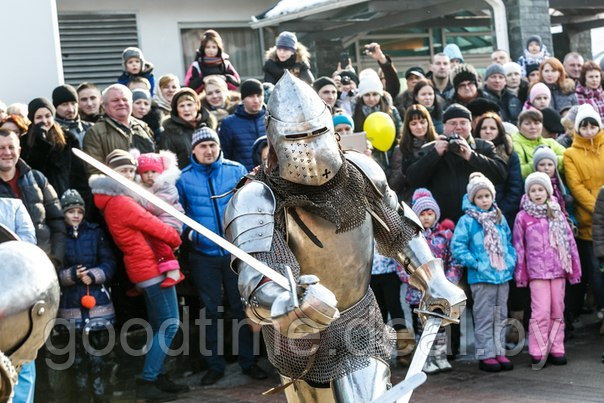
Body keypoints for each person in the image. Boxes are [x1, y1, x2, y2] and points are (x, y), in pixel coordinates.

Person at [224, 71, 465, 401]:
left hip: (358, 317)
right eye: (297, 139)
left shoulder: (360, 171)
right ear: (276, 141)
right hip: (299, 336)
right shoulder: (257, 199)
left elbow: (399, 227)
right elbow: (256, 281)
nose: (309, 149)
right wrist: (286, 302)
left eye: (317, 134)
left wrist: (432, 278)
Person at [89, 149, 188, 400]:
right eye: (122, 171)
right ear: (110, 173)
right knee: (170, 323)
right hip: (150, 268)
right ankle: (148, 379)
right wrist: (175, 236)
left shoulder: (118, 198)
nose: (128, 175)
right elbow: (153, 225)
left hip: (146, 266)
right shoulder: (121, 202)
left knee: (159, 324)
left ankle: (159, 374)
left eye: (130, 171)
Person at [176, 127, 266, 385]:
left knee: (241, 308)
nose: (208, 150)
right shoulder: (183, 179)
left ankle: (248, 362)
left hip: (235, 253)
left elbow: (249, 202)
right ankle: (214, 365)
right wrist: (192, 235)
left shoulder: (235, 170)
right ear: (193, 150)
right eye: (203, 146)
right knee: (210, 311)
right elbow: (177, 212)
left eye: (212, 145)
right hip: (203, 255)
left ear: (219, 147)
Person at [513, 172, 581, 366]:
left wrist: (575, 271)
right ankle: (538, 350)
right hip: (537, 273)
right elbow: (519, 247)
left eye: (540, 189)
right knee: (540, 311)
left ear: (547, 191)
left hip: (558, 270)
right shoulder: (522, 217)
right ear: (528, 193)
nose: (537, 193)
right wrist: (521, 274)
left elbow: (570, 244)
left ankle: (556, 347)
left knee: (557, 310)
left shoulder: (557, 213)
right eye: (533, 190)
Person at [452, 172, 516, 372]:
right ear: (473, 199)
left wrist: (510, 260)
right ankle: (486, 354)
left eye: (487, 196)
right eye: (479, 197)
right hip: (481, 277)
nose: (484, 200)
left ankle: (499, 351)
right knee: (484, 315)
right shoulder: (467, 221)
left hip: (501, 275)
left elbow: (508, 241)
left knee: (500, 314)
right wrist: (476, 263)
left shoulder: (499, 217)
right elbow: (458, 247)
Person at [56, 189, 116, 401]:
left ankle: (101, 395)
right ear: (63, 213)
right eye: (70, 211)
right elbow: (52, 268)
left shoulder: (95, 232)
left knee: (99, 355)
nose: (75, 215)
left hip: (97, 303)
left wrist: (94, 275)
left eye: (79, 211)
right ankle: (82, 396)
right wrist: (70, 275)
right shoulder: (58, 235)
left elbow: (109, 262)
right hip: (71, 304)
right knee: (77, 358)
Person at [407, 103, 507, 222]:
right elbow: (412, 179)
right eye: (453, 123)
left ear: (471, 125)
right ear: (444, 127)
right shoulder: (430, 149)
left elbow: (501, 174)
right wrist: (435, 154)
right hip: (442, 223)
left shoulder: (483, 147)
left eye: (463, 123)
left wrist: (471, 156)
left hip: (478, 221)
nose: (458, 127)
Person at [400, 188, 462, 374]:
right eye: (422, 214)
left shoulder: (444, 236)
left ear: (436, 214)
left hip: (442, 292)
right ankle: (425, 359)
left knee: (441, 327)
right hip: (419, 293)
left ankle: (440, 356)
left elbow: (454, 261)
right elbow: (402, 265)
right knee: (424, 327)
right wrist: (418, 282)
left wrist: (449, 281)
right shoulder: (411, 239)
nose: (427, 218)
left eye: (430, 213)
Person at [563, 104, 604, 331]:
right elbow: (576, 187)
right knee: (597, 275)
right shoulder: (571, 154)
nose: (589, 130)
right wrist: (600, 210)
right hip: (590, 224)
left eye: (592, 125)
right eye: (584, 126)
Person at [0, 128, 65, 266]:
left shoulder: (37, 178)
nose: (7, 152)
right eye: (1, 148)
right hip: (6, 269)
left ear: (19, 150)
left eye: (11, 147)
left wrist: (55, 260)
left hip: (42, 265)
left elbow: (57, 221)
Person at [135, 150, 186, 288]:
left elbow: (154, 207)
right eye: (145, 172)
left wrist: (137, 201)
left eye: (153, 171)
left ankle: (173, 270)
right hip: (158, 221)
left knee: (158, 240)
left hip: (171, 221)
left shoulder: (166, 186)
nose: (149, 175)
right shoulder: (144, 188)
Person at [83, 84, 155, 175]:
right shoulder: (95, 132)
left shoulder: (143, 127)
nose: (121, 103)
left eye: (125, 99)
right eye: (115, 100)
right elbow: (94, 169)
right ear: (105, 105)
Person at [22, 97, 79, 198]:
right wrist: (41, 143)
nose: (44, 121)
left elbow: (78, 173)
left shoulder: (68, 139)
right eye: (39, 117)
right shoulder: (24, 142)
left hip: (67, 197)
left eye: (48, 116)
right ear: (32, 119)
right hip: (40, 197)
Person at [474, 112, 522, 227]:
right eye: (484, 128)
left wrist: (501, 211)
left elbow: (515, 188)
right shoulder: (471, 153)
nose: (488, 131)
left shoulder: (509, 154)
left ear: (499, 131)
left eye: (492, 128)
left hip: (503, 215)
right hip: (476, 215)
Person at [352, 70, 402, 171]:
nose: (371, 98)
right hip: (367, 160)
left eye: (375, 94)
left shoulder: (391, 111)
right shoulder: (355, 113)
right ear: (361, 96)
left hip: (391, 157)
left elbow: (399, 132)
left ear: (380, 94)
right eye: (367, 95)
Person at [388, 104, 437, 202]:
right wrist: (405, 170)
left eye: (422, 122)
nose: (419, 127)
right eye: (414, 123)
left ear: (428, 123)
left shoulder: (438, 145)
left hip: (436, 198)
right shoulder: (401, 150)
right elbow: (393, 185)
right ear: (408, 126)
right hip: (412, 200)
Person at [159, 87, 216, 170]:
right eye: (181, 106)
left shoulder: (209, 128)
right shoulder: (169, 133)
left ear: (197, 106)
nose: (186, 109)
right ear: (176, 110)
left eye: (189, 104)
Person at [218, 79, 266, 171]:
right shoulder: (229, 124)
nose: (256, 100)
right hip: (244, 178)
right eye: (251, 96)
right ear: (243, 99)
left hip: (271, 178)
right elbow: (226, 157)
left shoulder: (272, 119)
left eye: (259, 95)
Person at [512, 109, 566, 179]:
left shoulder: (550, 142)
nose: (533, 127)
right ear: (519, 127)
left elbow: (568, 159)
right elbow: (518, 171)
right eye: (527, 124)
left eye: (536, 123)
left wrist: (550, 160)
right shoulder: (514, 144)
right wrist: (539, 162)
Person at [184, 29, 241, 93]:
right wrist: (203, 80)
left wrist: (225, 78)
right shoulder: (196, 65)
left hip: (223, 98)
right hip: (202, 100)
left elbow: (237, 83)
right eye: (208, 47)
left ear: (219, 48)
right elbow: (188, 86)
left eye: (214, 47)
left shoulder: (225, 64)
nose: (211, 50)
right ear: (203, 48)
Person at [532, 145, 573, 220]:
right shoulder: (530, 185)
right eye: (542, 165)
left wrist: (572, 222)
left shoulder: (561, 185)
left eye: (550, 164)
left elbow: (571, 210)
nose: (546, 168)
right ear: (536, 167)